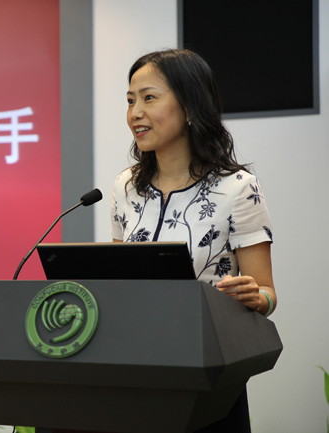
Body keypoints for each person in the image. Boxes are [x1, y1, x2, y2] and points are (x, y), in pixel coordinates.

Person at [110, 49, 276, 432]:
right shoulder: (125, 186)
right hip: (136, 368)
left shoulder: (237, 188)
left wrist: (257, 297)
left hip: (208, 373)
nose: (135, 113)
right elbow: (117, 283)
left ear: (189, 107)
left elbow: (267, 293)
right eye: (131, 101)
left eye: (149, 98)